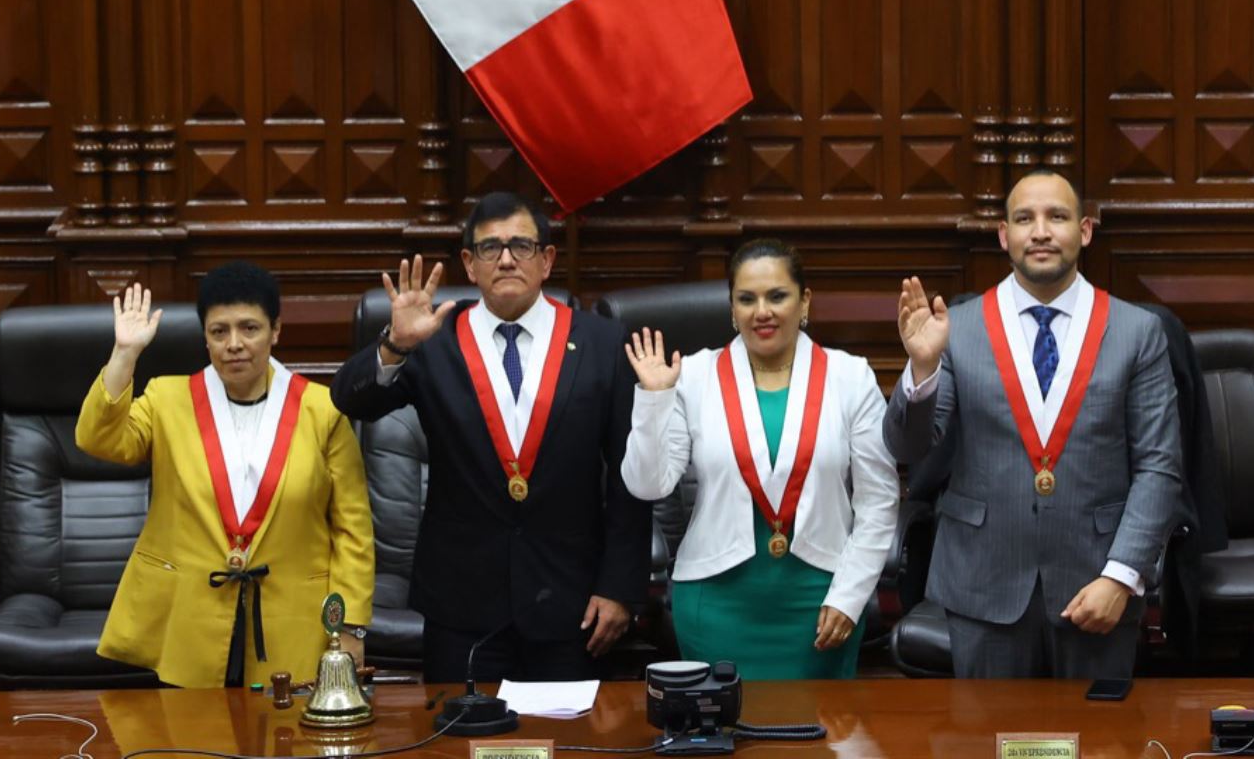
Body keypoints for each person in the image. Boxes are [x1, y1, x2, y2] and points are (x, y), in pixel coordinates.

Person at [330, 191, 652, 683]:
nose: (505, 259)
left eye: (521, 246)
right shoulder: (432, 338)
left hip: (574, 606)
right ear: (469, 263)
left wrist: (620, 588)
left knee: (568, 747)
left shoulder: (601, 343)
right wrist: (395, 345)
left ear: (547, 260)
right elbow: (351, 401)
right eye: (489, 248)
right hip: (461, 606)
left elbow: (631, 477)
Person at [885, 169, 1182, 679]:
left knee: (1100, 748)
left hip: (1098, 584)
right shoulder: (958, 328)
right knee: (988, 745)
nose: (1040, 231)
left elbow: (1160, 468)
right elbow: (908, 447)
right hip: (983, 584)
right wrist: (922, 369)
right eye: (1024, 219)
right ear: (1004, 236)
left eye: (1057, 217)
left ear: (1085, 231)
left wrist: (1122, 576)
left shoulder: (1138, 331)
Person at [76, 262, 374, 688]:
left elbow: (353, 532)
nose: (234, 344)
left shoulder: (323, 410)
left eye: (249, 328)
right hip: (189, 618)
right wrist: (125, 354)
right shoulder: (167, 399)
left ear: (275, 331)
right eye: (219, 332)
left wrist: (350, 626)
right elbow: (98, 439)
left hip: (293, 618)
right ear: (205, 337)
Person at [620, 239, 899, 678]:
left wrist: (850, 597)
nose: (761, 311)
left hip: (824, 604)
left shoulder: (850, 376)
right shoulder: (692, 376)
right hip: (715, 605)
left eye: (777, 296)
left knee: (818, 741)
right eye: (746, 299)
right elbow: (647, 485)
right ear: (732, 309)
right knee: (725, 736)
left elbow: (879, 502)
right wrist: (654, 400)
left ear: (804, 301)